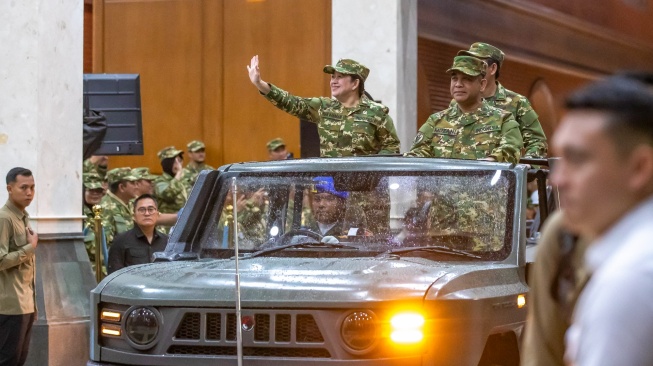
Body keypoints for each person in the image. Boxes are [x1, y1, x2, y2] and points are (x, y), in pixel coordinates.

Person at [548, 76, 653, 365]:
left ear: (639, 168)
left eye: (577, 159)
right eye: (558, 159)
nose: (558, 179)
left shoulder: (630, 279)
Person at [247, 55, 401, 157]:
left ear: (355, 83)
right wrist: (260, 84)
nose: (333, 81)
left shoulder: (377, 113)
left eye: (339, 77)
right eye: (332, 77)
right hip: (330, 194)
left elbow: (392, 147)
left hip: (366, 196)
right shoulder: (323, 107)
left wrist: (372, 172)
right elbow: (291, 102)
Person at [406, 55, 523, 163]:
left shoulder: (503, 120)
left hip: (484, 184)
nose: (458, 84)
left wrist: (490, 161)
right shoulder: (436, 121)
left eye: (466, 79)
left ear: (482, 85)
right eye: (454, 79)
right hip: (443, 185)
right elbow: (417, 154)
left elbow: (510, 150)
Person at [455, 42, 548, 158]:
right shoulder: (458, 101)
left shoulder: (517, 102)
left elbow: (537, 142)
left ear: (493, 68)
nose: (471, 67)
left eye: (478, 63)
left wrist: (526, 166)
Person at [0, 167, 38, 366]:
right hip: (10, 306)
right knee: (8, 360)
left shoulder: (23, 216)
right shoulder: (4, 218)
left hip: (25, 303)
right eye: (23, 187)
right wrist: (30, 247)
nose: (29, 192)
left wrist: (33, 305)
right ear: (9, 188)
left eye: (32, 187)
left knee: (19, 359)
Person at [107, 194, 168, 274]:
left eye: (151, 209)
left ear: (157, 214)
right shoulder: (121, 241)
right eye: (142, 210)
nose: (147, 213)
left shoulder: (167, 241)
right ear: (134, 216)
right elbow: (114, 275)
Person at [155, 146, 190, 233]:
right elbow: (168, 194)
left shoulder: (183, 181)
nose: (178, 165)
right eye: (174, 162)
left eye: (179, 161)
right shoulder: (159, 181)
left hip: (185, 226)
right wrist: (178, 174)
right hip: (167, 229)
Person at [100, 167, 139, 245]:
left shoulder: (131, 202)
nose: (137, 187)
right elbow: (105, 243)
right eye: (132, 183)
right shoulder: (106, 207)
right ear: (121, 187)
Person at [82, 171, 107, 275]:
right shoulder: (80, 214)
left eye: (98, 191)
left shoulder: (104, 211)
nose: (95, 194)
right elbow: (94, 249)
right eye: (91, 190)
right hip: (87, 265)